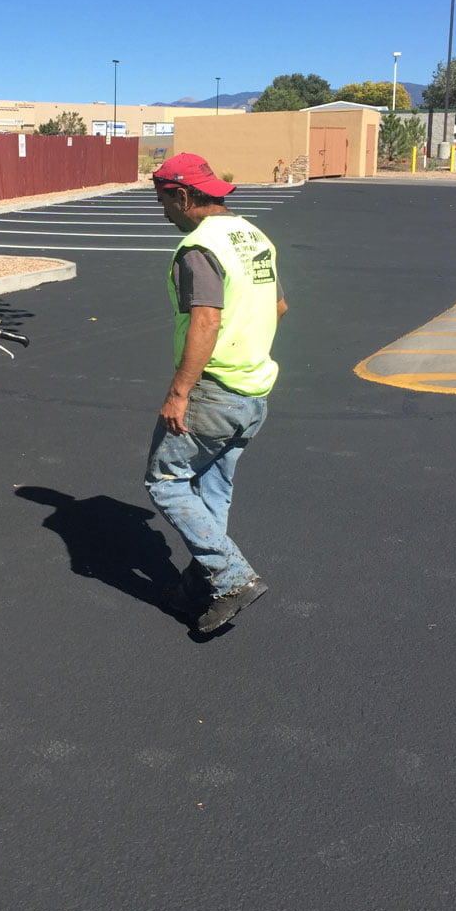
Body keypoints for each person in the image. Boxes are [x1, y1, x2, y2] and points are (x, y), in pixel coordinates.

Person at [145, 152, 287, 634]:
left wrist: (180, 392)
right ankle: (201, 584)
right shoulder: (253, 237)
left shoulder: (199, 247)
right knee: (212, 488)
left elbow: (205, 320)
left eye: (163, 200)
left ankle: (231, 577)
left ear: (183, 196)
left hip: (214, 391)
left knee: (165, 481)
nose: (163, 210)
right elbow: (279, 307)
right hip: (254, 391)